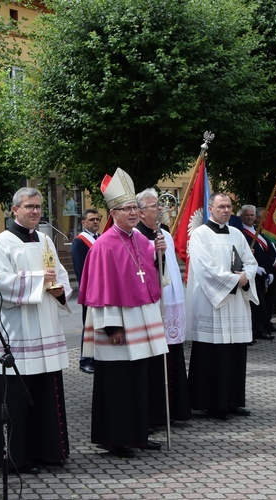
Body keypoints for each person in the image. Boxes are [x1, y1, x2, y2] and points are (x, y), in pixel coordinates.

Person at [79, 168, 168, 459]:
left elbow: (155, 276)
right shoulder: (104, 245)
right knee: (117, 384)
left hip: (139, 322)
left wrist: (160, 254)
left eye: (134, 208)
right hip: (117, 328)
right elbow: (100, 290)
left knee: (139, 381)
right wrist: (111, 327)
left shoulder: (140, 240)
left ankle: (137, 433)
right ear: (113, 212)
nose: (132, 213)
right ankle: (116, 438)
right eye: (126, 209)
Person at [0, 187, 72, 475]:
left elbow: (58, 275)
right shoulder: (0, 243)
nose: (35, 211)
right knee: (18, 397)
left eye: (38, 206)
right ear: (15, 210)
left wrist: (59, 288)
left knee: (47, 391)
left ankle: (49, 451)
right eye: (29, 206)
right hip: (19, 332)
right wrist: (37, 280)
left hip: (46, 325)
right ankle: (16, 457)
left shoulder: (45, 239)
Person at [186, 193, 258, 420]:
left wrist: (246, 275)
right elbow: (205, 269)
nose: (226, 210)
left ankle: (233, 401)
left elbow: (251, 261)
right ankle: (212, 403)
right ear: (210, 208)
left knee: (235, 352)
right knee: (213, 353)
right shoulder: (200, 234)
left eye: (228, 207)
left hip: (235, 303)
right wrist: (235, 280)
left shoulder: (237, 233)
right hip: (212, 302)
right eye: (221, 206)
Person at [135, 188, 191, 426]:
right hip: (151, 305)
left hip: (170, 303)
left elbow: (171, 274)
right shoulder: (135, 236)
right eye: (153, 206)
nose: (159, 210)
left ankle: (176, 409)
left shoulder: (164, 233)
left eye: (159, 205)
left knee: (173, 356)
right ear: (139, 212)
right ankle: (155, 414)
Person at [70, 208, 102, 374]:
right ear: (83, 223)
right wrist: (89, 290)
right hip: (90, 291)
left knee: (100, 325)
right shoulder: (80, 241)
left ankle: (97, 357)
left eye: (97, 219)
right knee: (88, 325)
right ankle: (85, 359)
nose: (95, 222)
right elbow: (80, 269)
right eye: (91, 219)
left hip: (103, 289)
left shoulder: (102, 238)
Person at [239, 204, 276, 340]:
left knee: (261, 304)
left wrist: (268, 270)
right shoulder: (241, 233)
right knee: (252, 305)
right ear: (242, 216)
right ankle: (252, 331)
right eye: (247, 215)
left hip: (261, 273)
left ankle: (260, 329)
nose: (250, 217)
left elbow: (264, 253)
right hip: (248, 273)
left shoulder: (257, 232)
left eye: (252, 215)